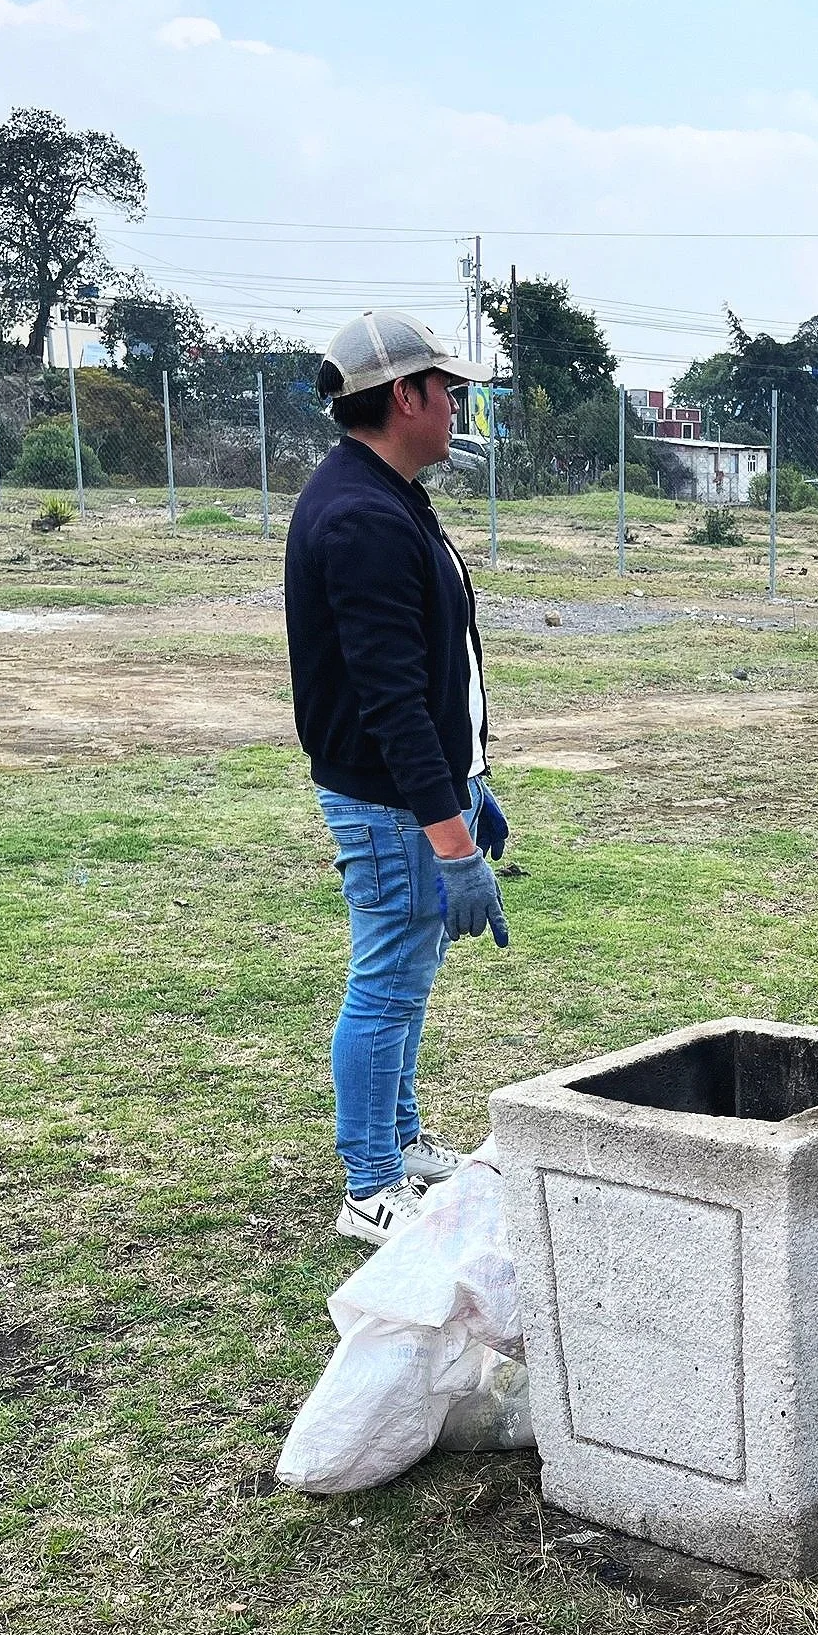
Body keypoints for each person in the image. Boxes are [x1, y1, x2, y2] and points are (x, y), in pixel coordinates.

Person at [286, 311, 513, 1245]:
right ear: (404, 396)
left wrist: (470, 779)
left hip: (417, 791)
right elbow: (389, 702)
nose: (457, 405)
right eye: (447, 389)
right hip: (387, 803)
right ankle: (369, 1182)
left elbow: (429, 667)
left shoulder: (390, 492)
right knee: (385, 980)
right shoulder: (361, 516)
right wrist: (450, 841)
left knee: (408, 977)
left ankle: (401, 1138)